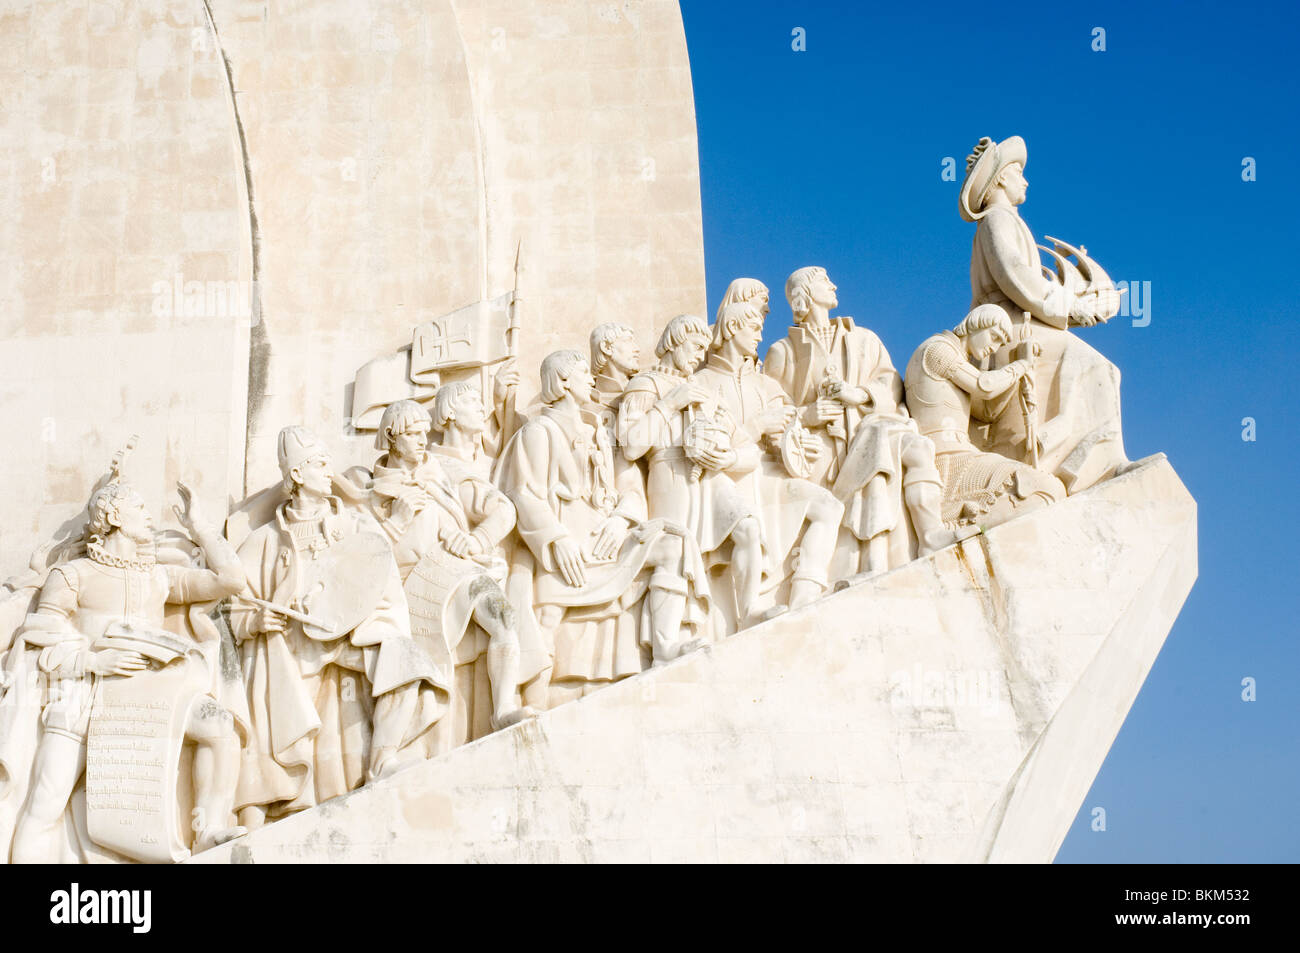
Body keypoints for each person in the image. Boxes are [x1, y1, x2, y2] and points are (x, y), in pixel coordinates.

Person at [4, 481, 246, 863]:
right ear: (115, 516)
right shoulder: (73, 574)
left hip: (148, 696)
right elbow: (39, 637)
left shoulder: (158, 577)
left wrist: (200, 527)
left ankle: (208, 830)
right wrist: (92, 661)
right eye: (140, 507)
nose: (150, 515)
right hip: (85, 695)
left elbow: (231, 580)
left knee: (219, 727)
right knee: (45, 804)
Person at [230, 426, 445, 827]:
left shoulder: (352, 525)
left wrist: (368, 620)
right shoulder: (264, 540)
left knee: (404, 658)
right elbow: (233, 605)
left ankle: (383, 759)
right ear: (296, 474)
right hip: (292, 645)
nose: (330, 469)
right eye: (319, 463)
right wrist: (255, 621)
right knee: (274, 695)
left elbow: (378, 574)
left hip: (346, 634)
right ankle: (262, 801)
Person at [495, 350, 709, 707]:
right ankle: (527, 704)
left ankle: (665, 644)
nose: (591, 378)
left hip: (606, 537)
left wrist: (621, 518)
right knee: (546, 616)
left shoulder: (599, 432)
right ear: (562, 382)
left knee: (673, 546)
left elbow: (630, 489)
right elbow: (524, 493)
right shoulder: (539, 431)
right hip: (566, 544)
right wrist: (557, 539)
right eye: (582, 372)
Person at [959, 135, 1131, 492]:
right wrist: (1074, 307)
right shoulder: (996, 220)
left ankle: (1097, 460)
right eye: (1018, 171)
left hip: (1027, 323)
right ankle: (1087, 465)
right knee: (1095, 366)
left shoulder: (1006, 220)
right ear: (1001, 178)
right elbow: (1017, 277)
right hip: (1009, 331)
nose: (1026, 180)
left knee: (1103, 370)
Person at [370, 399, 535, 750]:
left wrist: (473, 539)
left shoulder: (440, 475)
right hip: (409, 586)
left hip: (453, 570)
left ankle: (504, 708)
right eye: (412, 434)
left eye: (423, 433)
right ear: (391, 437)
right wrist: (395, 522)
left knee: (503, 616)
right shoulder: (372, 491)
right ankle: (385, 756)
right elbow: (366, 555)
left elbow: (491, 513)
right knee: (409, 669)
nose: (421, 440)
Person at [694, 296, 843, 612]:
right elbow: (705, 447)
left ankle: (805, 597)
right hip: (729, 480)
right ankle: (750, 609)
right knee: (749, 529)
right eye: (755, 328)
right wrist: (756, 426)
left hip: (768, 476)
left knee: (828, 507)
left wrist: (802, 445)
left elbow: (788, 434)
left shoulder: (765, 385)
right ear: (734, 327)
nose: (761, 337)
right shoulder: (701, 383)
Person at [620, 315, 767, 631]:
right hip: (670, 475)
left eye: (705, 349)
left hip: (712, 477)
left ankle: (750, 608)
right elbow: (631, 446)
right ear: (675, 341)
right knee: (678, 554)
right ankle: (670, 637)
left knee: (749, 528)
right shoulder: (645, 384)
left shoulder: (704, 392)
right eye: (697, 346)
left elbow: (749, 450)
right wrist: (670, 404)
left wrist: (728, 458)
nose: (701, 355)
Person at [905, 304, 1066, 528]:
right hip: (945, 456)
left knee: (1050, 490)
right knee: (1044, 489)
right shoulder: (938, 350)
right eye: (994, 336)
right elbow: (984, 385)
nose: (994, 347)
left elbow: (987, 411)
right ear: (975, 324)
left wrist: (1018, 372)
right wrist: (1021, 365)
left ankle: (967, 524)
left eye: (1000, 343)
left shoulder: (958, 361)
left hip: (961, 453)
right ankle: (962, 526)